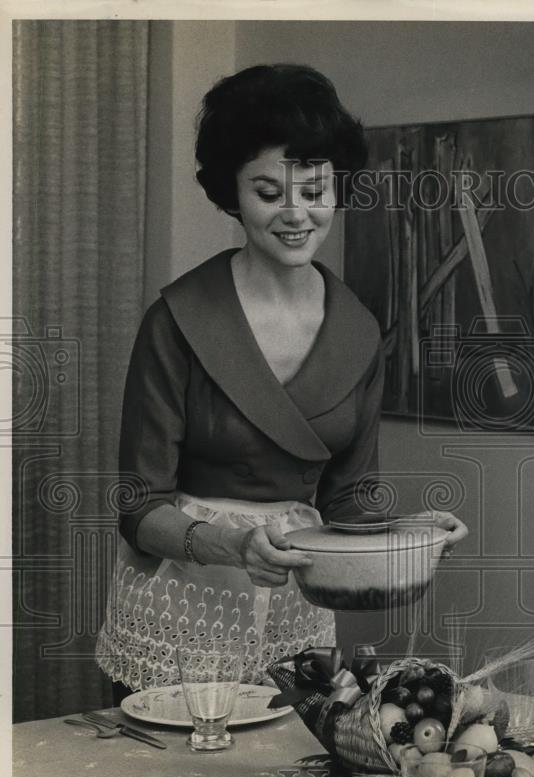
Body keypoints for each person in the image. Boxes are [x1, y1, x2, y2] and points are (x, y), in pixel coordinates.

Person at [96, 64, 467, 693]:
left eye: (316, 190)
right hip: (183, 605)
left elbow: (347, 501)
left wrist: (415, 532)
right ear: (230, 195)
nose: (297, 214)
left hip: (295, 608)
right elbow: (139, 507)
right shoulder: (178, 319)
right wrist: (234, 548)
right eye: (269, 193)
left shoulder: (358, 330)